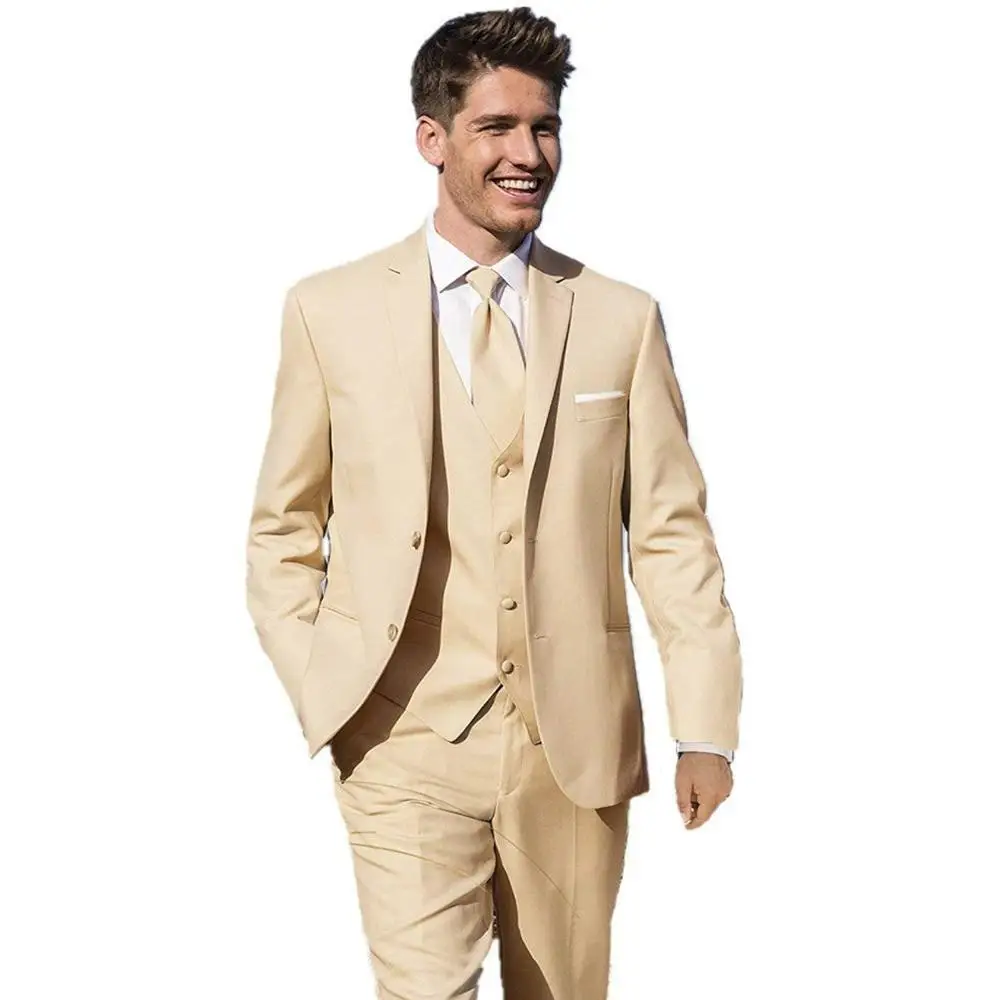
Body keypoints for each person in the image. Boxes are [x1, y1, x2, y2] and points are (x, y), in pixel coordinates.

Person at [245, 6, 743, 998]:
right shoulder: (329, 309)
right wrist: (330, 685)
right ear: (431, 138)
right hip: (400, 738)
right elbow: (282, 529)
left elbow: (672, 537)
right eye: (498, 127)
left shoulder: (621, 318)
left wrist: (705, 726)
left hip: (575, 745)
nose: (529, 152)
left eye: (545, 126)